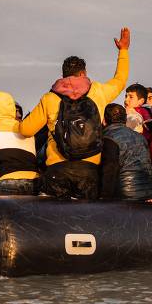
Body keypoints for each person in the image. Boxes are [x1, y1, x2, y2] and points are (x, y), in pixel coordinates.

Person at [19, 27, 131, 199]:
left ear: (63, 76)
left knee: (55, 223)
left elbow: (26, 130)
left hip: (57, 170)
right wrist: (123, 51)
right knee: (86, 223)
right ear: (83, 73)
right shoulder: (98, 91)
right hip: (90, 170)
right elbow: (120, 80)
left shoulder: (50, 98)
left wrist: (9, 121)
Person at [100, 104, 152, 200]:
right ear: (125, 120)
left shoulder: (109, 138)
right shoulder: (141, 137)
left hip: (125, 195)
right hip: (148, 192)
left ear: (104, 121)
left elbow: (109, 171)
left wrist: (104, 197)